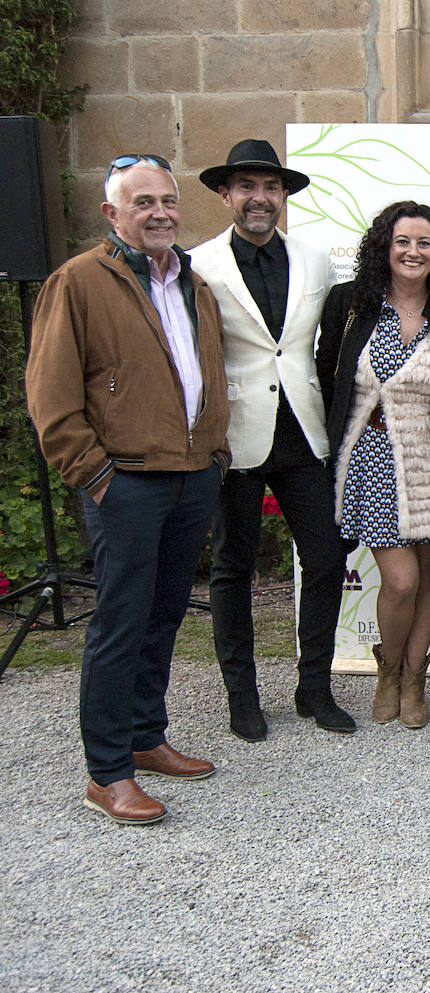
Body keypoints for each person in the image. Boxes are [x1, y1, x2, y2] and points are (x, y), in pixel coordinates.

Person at [27, 153, 230, 824]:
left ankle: (146, 736)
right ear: (112, 214)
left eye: (167, 201)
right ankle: (107, 771)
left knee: (165, 614)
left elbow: (205, 376)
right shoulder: (78, 282)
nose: (160, 212)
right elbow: (52, 398)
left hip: (190, 475)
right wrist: (97, 476)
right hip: (126, 483)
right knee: (120, 623)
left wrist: (215, 456)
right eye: (142, 202)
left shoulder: (191, 283)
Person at [191, 139, 352, 742]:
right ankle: (242, 695)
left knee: (328, 559)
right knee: (233, 569)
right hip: (234, 438)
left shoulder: (315, 261)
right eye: (247, 187)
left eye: (271, 188)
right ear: (226, 194)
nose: (260, 198)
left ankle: (314, 687)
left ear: (284, 196)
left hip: (304, 434)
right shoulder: (197, 264)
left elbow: (322, 349)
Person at [316, 201, 430, 731]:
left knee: (428, 573)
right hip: (372, 461)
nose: (413, 252)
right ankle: (387, 670)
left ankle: (415, 679)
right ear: (385, 248)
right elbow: (327, 379)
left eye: (424, 243)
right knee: (403, 581)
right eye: (403, 241)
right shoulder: (350, 304)